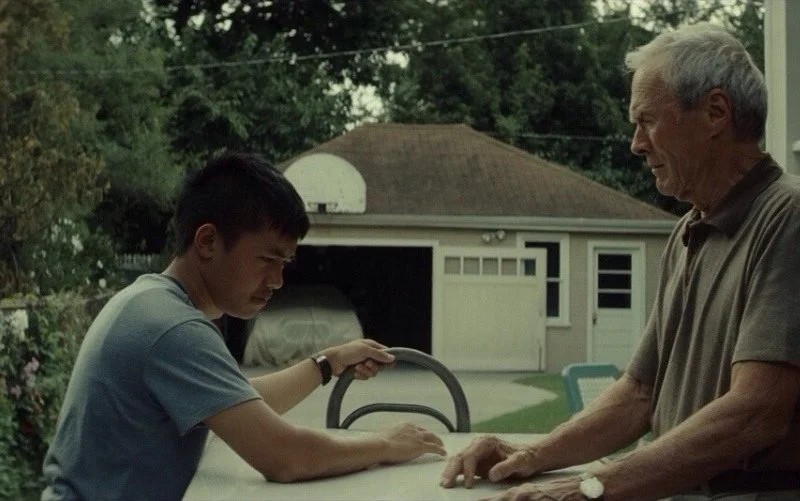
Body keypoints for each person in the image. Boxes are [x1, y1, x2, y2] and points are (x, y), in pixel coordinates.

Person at [440, 23, 800, 501]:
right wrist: (528, 454)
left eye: (646, 120)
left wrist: (590, 489)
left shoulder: (787, 217)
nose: (636, 143)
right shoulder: (689, 231)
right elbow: (639, 393)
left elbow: (757, 412)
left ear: (715, 112)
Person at [41, 153, 446, 500]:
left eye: (284, 264)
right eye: (268, 260)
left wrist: (329, 362)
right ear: (207, 242)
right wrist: (384, 444)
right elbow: (284, 457)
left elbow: (239, 403)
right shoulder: (173, 327)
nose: (277, 281)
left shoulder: (151, 302)